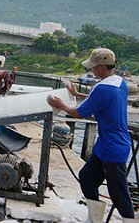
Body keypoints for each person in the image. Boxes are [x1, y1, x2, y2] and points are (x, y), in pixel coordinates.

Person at [46, 48, 134, 221]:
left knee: (118, 194)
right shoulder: (119, 83)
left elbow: (79, 113)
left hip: (112, 148)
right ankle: (95, 219)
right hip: (109, 144)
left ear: (101, 66)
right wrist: (76, 94)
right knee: (87, 177)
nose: (91, 70)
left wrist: (61, 104)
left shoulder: (102, 88)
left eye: (93, 67)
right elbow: (99, 100)